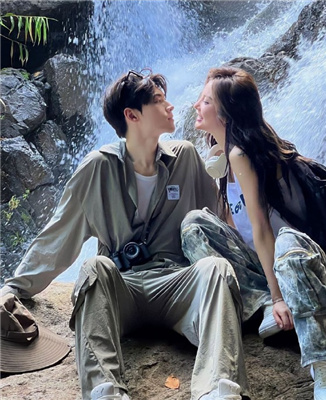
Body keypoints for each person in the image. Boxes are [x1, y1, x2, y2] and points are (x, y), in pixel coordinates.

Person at [1, 69, 250, 400]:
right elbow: (57, 236)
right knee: (94, 268)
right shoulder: (98, 167)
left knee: (215, 268)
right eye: (159, 101)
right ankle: (106, 392)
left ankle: (219, 390)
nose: (171, 106)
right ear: (132, 116)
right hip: (122, 288)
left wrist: (269, 286)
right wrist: (13, 288)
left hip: (176, 283)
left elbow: (219, 222)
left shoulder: (186, 157)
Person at [183, 67, 326, 400]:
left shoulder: (242, 154)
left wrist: (280, 296)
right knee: (195, 225)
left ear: (225, 114)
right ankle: (264, 304)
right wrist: (271, 295)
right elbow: (236, 226)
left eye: (205, 101)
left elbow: (263, 230)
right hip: (269, 270)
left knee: (286, 243)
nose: (195, 106)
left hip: (303, 268)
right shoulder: (222, 155)